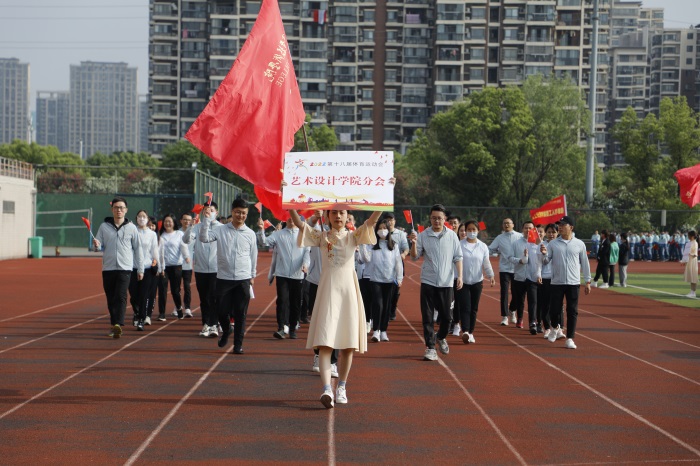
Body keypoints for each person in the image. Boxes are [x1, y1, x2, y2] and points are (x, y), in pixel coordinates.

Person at [290, 207, 384, 409]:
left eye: (341, 213)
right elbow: (300, 224)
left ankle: (341, 386)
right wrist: (289, 202)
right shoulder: (321, 237)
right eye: (334, 213)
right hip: (328, 292)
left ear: (346, 216)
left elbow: (370, 222)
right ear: (328, 216)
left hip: (349, 292)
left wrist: (382, 200)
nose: (338, 216)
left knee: (348, 345)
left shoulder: (353, 236)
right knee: (325, 342)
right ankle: (326, 388)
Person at [200, 198, 258, 354]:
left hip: (243, 279)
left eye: (244, 213)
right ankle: (226, 330)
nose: (240, 215)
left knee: (241, 314)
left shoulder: (250, 234)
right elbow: (204, 238)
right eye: (238, 212)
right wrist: (206, 220)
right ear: (232, 212)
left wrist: (252, 276)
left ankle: (238, 345)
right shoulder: (221, 230)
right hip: (224, 278)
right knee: (221, 311)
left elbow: (253, 256)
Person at [409, 204, 463, 361]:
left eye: (439, 218)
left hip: (446, 282)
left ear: (444, 219)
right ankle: (430, 347)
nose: (436, 221)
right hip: (428, 281)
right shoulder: (423, 235)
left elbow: (458, 257)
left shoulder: (452, 235)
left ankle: (441, 337)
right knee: (427, 316)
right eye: (434, 218)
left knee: (447, 317)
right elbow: (414, 257)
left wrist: (460, 276)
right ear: (430, 218)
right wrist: (413, 243)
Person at [93, 197, 144, 338]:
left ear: (126, 210)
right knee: (111, 298)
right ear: (112, 209)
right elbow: (98, 247)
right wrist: (96, 245)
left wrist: (140, 269)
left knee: (121, 296)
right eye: (116, 207)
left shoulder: (132, 228)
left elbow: (138, 249)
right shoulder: (104, 227)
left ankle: (118, 324)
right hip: (108, 268)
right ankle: (114, 323)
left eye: (121, 207)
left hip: (125, 268)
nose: (119, 210)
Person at [541, 215, 592, 349]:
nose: (560, 227)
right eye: (560, 225)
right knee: (554, 309)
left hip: (573, 283)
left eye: (563, 225)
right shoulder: (553, 244)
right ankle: (555, 327)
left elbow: (585, 263)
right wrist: (544, 254)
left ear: (571, 227)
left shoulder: (579, 244)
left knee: (572, 310)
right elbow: (546, 261)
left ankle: (570, 338)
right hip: (557, 282)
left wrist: (587, 281)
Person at [257, 215, 310, 340]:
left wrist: (305, 265)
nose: (291, 219)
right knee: (282, 300)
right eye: (289, 217)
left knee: (295, 302)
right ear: (285, 219)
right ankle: (281, 327)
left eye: (294, 217)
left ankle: (292, 328)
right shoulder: (279, 234)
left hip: (297, 275)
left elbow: (307, 253)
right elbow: (264, 242)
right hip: (282, 274)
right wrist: (261, 230)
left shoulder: (304, 235)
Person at [183, 202, 221, 337]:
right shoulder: (197, 227)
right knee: (204, 298)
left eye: (211, 210)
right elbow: (186, 240)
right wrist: (190, 226)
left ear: (216, 212)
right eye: (205, 210)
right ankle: (206, 324)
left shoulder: (222, 228)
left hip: (217, 269)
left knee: (214, 297)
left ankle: (214, 324)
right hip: (201, 268)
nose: (208, 213)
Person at [456, 220, 495, 344]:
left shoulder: (482, 246)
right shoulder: (459, 244)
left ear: (478, 231)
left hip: (477, 281)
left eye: (474, 230)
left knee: (474, 308)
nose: (471, 232)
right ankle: (465, 331)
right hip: (463, 281)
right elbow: (455, 261)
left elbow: (486, 262)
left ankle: (471, 332)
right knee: (465, 307)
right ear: (465, 231)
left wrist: (491, 275)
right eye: (469, 230)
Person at [366, 218, 403, 343]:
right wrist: (361, 246)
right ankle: (375, 330)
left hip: (389, 280)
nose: (382, 231)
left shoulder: (394, 246)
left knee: (386, 306)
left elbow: (398, 262)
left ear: (389, 230)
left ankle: (383, 331)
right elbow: (365, 259)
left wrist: (399, 278)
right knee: (378, 304)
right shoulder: (372, 246)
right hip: (375, 279)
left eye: (385, 228)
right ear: (376, 231)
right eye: (380, 228)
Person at [489, 218, 523, 326]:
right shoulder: (499, 238)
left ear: (513, 224)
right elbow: (490, 249)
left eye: (508, 223)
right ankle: (504, 316)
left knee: (516, 293)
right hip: (504, 268)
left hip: (517, 268)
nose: (506, 225)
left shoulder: (519, 236)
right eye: (504, 223)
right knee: (504, 292)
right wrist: (495, 252)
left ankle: (512, 310)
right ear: (502, 226)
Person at [509, 221, 541, 333]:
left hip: (532, 277)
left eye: (530, 228)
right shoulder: (516, 243)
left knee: (533, 300)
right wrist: (520, 261)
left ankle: (533, 322)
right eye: (526, 228)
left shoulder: (538, 243)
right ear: (522, 229)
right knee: (519, 299)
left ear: (534, 230)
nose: (528, 230)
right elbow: (510, 257)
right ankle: (520, 318)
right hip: (520, 275)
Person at [129, 209, 159, 331]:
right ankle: (136, 312)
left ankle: (141, 318)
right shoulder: (132, 231)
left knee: (144, 295)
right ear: (136, 218)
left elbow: (154, 250)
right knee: (133, 294)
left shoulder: (152, 234)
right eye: (139, 216)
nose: (141, 218)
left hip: (147, 267)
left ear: (147, 219)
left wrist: (157, 263)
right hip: (132, 267)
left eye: (144, 216)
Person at [157, 214, 190, 320]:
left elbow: (183, 246)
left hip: (176, 266)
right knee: (162, 290)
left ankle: (179, 308)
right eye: (165, 221)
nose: (167, 223)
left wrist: (186, 257)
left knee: (175, 290)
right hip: (163, 267)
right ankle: (162, 313)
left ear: (174, 223)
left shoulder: (179, 234)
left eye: (169, 221)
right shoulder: (160, 235)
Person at [383, 213, 409, 322]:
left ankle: (392, 309)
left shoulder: (400, 234)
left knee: (395, 290)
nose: (389, 222)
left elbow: (406, 248)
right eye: (387, 220)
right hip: (384, 265)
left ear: (395, 221)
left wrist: (402, 255)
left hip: (397, 266)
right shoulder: (381, 233)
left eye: (391, 220)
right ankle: (385, 311)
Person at [540, 223, 559, 339]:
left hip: (558, 279)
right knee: (545, 305)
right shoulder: (542, 245)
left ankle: (558, 328)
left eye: (554, 232)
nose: (551, 234)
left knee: (557, 305)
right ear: (546, 233)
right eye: (549, 232)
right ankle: (547, 328)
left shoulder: (560, 245)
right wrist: (544, 254)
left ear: (557, 233)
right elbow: (542, 262)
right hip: (545, 278)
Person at [179, 212, 195, 318]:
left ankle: (188, 308)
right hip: (176, 264)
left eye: (189, 220)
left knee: (187, 286)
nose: (187, 222)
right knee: (176, 288)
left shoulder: (194, 233)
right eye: (185, 219)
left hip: (188, 265)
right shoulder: (177, 232)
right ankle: (178, 307)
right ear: (181, 221)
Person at [681, 230, 698, 298]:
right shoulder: (689, 243)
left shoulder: (695, 243)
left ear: (692, 236)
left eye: (689, 235)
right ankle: (691, 291)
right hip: (689, 260)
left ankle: (693, 292)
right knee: (691, 276)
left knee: (693, 276)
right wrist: (685, 260)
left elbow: (695, 254)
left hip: (693, 261)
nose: (688, 237)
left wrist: (690, 254)